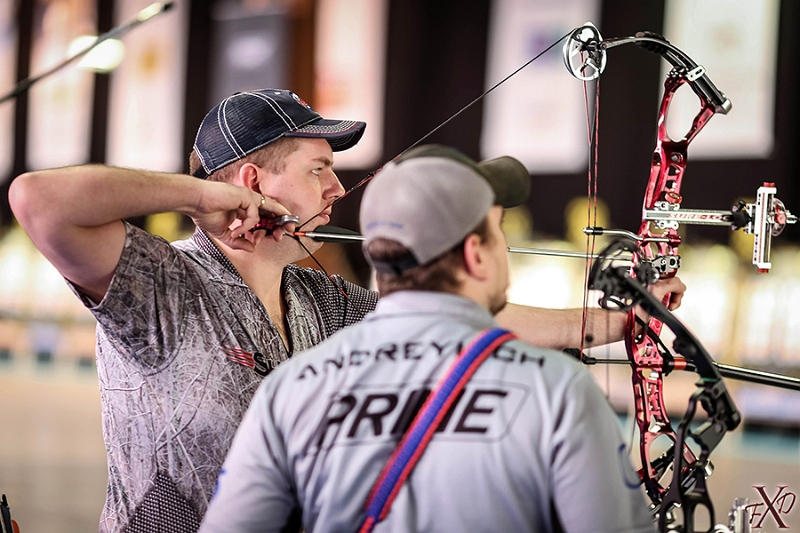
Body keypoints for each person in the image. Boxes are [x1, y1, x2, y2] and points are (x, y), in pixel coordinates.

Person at [9, 89, 681, 532]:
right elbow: (38, 201)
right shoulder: (162, 283)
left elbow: (459, 322)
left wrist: (621, 323)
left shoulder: (318, 297)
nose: (337, 188)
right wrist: (199, 194)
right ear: (253, 183)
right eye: (318, 168)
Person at [199, 146, 657, 533]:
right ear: (476, 255)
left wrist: (623, 322)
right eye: (496, 232)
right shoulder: (557, 389)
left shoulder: (291, 388)